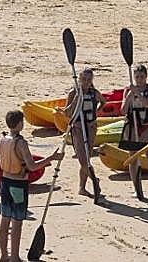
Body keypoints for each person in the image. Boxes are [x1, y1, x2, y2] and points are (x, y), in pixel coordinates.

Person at [0, 110, 62, 262]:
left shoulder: (2, 140)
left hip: (5, 183)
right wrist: (52, 157)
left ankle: (4, 256)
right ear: (19, 124)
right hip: (18, 186)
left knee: (5, 220)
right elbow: (32, 166)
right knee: (17, 222)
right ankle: (14, 257)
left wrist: (10, 162)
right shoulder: (21, 143)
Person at [64, 67, 103, 200]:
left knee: (87, 159)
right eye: (83, 79)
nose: (86, 82)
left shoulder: (94, 93)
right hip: (78, 129)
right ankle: (95, 180)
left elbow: (103, 102)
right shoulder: (73, 93)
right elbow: (67, 113)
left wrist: (96, 113)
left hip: (91, 128)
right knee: (82, 160)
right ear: (79, 79)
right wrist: (76, 99)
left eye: (88, 80)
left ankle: (82, 188)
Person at [121, 64, 148, 199]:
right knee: (133, 158)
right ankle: (137, 188)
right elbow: (123, 110)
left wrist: (136, 93)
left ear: (146, 76)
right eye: (137, 77)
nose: (139, 79)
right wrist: (129, 96)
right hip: (132, 127)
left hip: (146, 126)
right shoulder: (128, 90)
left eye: (142, 76)